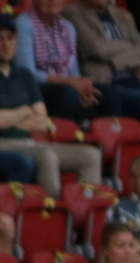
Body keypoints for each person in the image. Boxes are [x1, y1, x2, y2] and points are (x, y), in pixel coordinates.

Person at [0, 16, 101, 190]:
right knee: (47, 157)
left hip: (29, 143)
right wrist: (25, 111)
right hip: (3, 145)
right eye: (0, 39)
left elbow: (40, 121)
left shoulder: (25, 75)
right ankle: (51, 212)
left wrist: (11, 117)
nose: (6, 44)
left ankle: (84, 208)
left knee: (90, 155)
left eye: (10, 38)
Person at [66, 0, 140, 129]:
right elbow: (96, 48)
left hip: (131, 79)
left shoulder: (122, 15)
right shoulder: (73, 13)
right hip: (105, 82)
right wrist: (128, 46)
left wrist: (114, 61)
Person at [20, 0, 95, 124]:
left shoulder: (68, 27)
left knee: (107, 95)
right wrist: (69, 82)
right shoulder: (24, 24)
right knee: (67, 93)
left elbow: (73, 70)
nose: (53, 1)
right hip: (37, 87)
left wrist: (82, 88)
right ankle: (62, 136)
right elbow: (27, 73)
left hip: (67, 84)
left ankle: (104, 141)